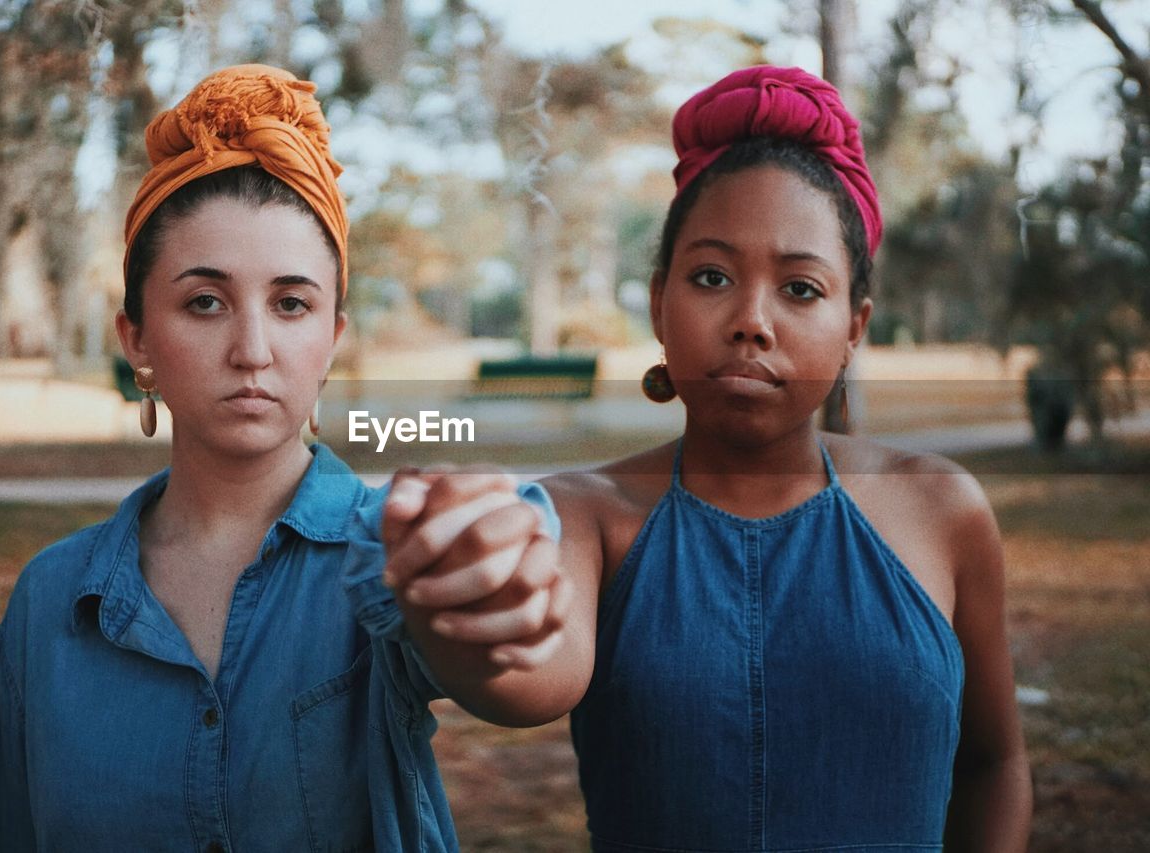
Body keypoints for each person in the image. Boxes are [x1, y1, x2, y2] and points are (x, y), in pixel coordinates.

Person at [384, 65, 1032, 851]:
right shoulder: (585, 515)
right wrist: (458, 607)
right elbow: (526, 680)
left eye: (800, 288)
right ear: (661, 303)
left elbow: (993, 761)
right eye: (712, 276)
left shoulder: (941, 508)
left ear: (854, 325)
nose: (752, 320)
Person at [0, 64, 570, 852]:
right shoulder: (50, 601)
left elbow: (520, 675)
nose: (253, 350)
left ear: (331, 340)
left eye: (291, 304)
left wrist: (494, 586)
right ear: (137, 339)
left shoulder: (390, 550)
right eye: (205, 302)